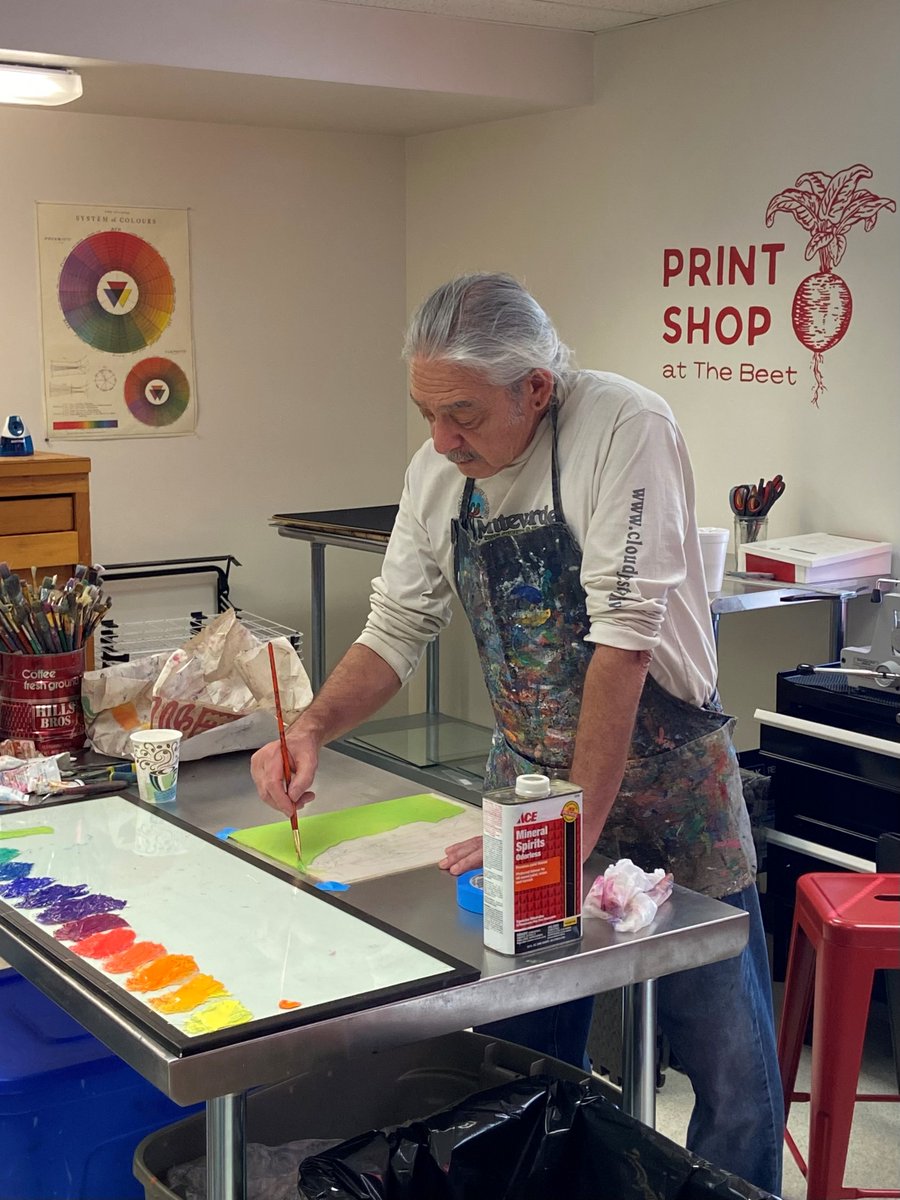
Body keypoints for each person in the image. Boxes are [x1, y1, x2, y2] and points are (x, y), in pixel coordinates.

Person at [251, 273, 784, 1194]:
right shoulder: (439, 475)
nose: (441, 439)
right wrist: (312, 726)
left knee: (728, 1058)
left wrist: (574, 828)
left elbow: (620, 649)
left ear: (535, 387)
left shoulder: (625, 429)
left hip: (669, 778)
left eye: (462, 414)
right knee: (520, 1042)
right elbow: (395, 627)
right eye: (427, 413)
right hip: (531, 778)